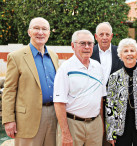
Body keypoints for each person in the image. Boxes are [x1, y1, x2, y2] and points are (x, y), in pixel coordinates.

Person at [2, 17, 59, 146]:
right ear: (29, 32)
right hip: (27, 120)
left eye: (44, 29)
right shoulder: (16, 57)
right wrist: (8, 120)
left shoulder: (54, 56)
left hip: (53, 116)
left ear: (49, 33)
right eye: (36, 28)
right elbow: (9, 91)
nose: (40, 32)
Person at [53, 30, 106, 146]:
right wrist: (65, 133)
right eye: (82, 43)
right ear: (73, 46)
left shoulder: (98, 67)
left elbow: (100, 98)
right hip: (73, 124)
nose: (87, 47)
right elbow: (59, 103)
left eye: (90, 43)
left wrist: (100, 123)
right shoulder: (65, 69)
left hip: (95, 125)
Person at [91, 22, 123, 146]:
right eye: (101, 34)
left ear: (112, 36)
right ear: (96, 36)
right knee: (96, 136)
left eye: (107, 34)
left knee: (114, 138)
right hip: (94, 101)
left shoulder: (119, 53)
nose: (104, 37)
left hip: (115, 103)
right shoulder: (89, 52)